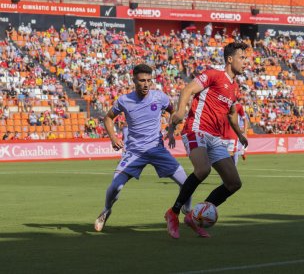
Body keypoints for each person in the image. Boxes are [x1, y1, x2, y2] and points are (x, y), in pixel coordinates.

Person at [94, 64, 194, 233]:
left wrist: (170, 131)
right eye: (142, 80)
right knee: (115, 187)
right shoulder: (124, 100)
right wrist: (113, 137)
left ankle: (186, 209)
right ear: (134, 80)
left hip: (157, 149)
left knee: (187, 183)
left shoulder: (159, 97)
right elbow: (108, 118)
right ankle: (106, 210)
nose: (146, 84)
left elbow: (174, 113)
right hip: (134, 152)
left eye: (149, 80)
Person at [164, 42, 249, 239]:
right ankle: (174, 212)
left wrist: (240, 134)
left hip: (215, 138)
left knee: (234, 183)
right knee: (203, 169)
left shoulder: (234, 88)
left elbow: (231, 113)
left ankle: (195, 216)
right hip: (196, 130)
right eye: (242, 58)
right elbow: (188, 89)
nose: (245, 62)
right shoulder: (213, 75)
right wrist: (179, 111)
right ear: (230, 59)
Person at [222, 99, 249, 165]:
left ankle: (231, 171)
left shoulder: (238, 106)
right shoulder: (221, 104)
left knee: (230, 154)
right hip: (221, 134)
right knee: (222, 156)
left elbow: (245, 120)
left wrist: (244, 133)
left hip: (232, 135)